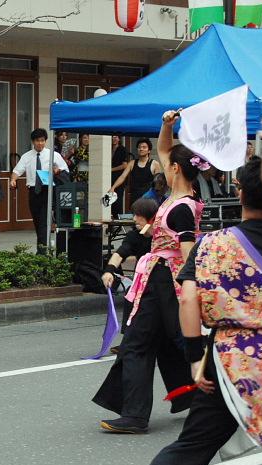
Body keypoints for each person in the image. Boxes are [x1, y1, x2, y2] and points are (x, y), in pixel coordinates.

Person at [131, 156, 262, 465]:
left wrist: (196, 357)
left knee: (197, 437)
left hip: (229, 358)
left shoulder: (214, 244)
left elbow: (189, 298)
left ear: (241, 195)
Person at [93, 110, 204, 434]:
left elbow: (189, 255)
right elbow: (165, 148)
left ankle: (141, 414)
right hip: (157, 279)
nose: (163, 164)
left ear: (176, 170)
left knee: (158, 342)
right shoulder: (177, 196)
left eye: (168, 165)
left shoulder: (182, 208)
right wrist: (167, 125)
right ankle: (145, 411)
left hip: (167, 282)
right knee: (151, 342)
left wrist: (190, 292)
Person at [101, 197, 158, 352]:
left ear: (150, 217)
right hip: (143, 280)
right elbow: (120, 253)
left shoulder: (162, 236)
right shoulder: (134, 236)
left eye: (138, 215)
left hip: (163, 279)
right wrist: (109, 270)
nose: (134, 219)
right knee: (130, 295)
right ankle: (128, 340)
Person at [9, 128, 69, 252]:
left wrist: (57, 171)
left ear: (45, 141)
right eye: (37, 141)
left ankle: (42, 252)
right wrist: (13, 180)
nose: (40, 143)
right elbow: (17, 171)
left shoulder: (53, 155)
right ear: (33, 141)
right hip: (33, 192)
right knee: (37, 221)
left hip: (48, 191)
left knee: (43, 222)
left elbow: (65, 170)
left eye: (42, 140)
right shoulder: (26, 156)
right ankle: (44, 246)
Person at [110, 138, 163, 209]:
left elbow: (158, 182)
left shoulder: (155, 164)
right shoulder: (132, 163)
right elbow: (122, 176)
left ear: (149, 150)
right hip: (134, 198)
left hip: (148, 199)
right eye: (139, 147)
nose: (141, 149)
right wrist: (113, 187)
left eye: (144, 147)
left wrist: (158, 197)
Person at [111, 135, 129, 218]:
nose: (113, 139)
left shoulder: (122, 149)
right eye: (112, 137)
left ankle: (118, 220)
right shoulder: (108, 148)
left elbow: (124, 165)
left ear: (119, 139)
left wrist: (111, 169)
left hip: (119, 177)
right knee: (109, 200)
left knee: (118, 201)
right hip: (109, 178)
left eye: (116, 137)